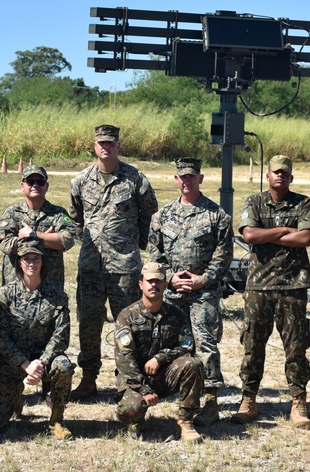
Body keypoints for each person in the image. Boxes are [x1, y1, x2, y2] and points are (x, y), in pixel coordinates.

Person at [69, 124, 158, 400]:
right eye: (101, 143)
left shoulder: (135, 179)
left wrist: (136, 246)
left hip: (125, 267)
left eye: (110, 143)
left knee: (129, 327)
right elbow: (74, 220)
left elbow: (150, 217)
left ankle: (128, 380)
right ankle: (89, 377)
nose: (105, 147)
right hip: (91, 267)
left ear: (118, 146)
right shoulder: (81, 181)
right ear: (94, 147)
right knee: (89, 323)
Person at [233, 155, 310, 429]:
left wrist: (266, 232)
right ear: (267, 175)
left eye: (285, 173)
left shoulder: (303, 203)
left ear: (291, 178)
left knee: (295, 345)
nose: (280, 176)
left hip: (293, 285)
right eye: (275, 172)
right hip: (258, 285)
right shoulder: (254, 202)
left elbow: (305, 237)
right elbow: (249, 236)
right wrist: (283, 229)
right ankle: (248, 398)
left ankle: (298, 401)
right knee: (253, 344)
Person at [148, 157, 232, 426]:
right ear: (176, 180)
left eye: (191, 177)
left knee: (205, 343)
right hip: (172, 293)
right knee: (174, 344)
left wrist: (202, 280)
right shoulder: (161, 217)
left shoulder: (217, 216)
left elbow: (223, 256)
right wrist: (170, 278)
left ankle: (210, 400)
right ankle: (182, 394)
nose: (187, 181)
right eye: (182, 177)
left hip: (203, 293)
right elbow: (154, 254)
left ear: (200, 179)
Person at [0, 245, 75, 440]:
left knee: (64, 366)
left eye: (36, 259)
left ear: (43, 262)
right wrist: (25, 365)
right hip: (14, 360)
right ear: (19, 263)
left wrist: (40, 363)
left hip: (44, 360)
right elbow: (0, 339)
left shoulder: (57, 295)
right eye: (27, 259)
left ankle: (57, 419)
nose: (31, 263)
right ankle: (14, 395)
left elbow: (61, 335)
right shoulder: (5, 295)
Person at [113, 262, 203, 444]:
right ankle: (135, 421)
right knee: (130, 409)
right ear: (140, 284)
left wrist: (161, 358)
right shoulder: (127, 315)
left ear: (165, 284)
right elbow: (124, 358)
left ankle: (185, 422)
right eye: (150, 280)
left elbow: (187, 346)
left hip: (163, 375)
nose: (154, 285)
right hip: (135, 379)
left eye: (159, 281)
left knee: (193, 364)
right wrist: (143, 389)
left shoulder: (176, 314)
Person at [0, 164, 76, 288]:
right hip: (16, 284)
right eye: (30, 181)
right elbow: (5, 244)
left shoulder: (59, 213)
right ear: (22, 186)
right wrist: (47, 240)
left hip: (50, 284)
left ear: (47, 186)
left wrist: (33, 235)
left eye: (40, 182)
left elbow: (67, 240)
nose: (35, 185)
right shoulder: (12, 213)